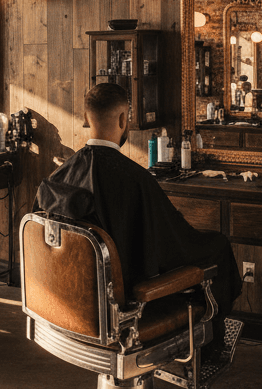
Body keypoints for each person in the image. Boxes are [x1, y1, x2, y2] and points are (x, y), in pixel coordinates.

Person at [37, 83, 241, 362]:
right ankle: (211, 348)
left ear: (86, 119)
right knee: (216, 246)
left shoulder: (57, 178)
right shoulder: (137, 180)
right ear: (124, 119)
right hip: (125, 308)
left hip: (66, 305)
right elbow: (175, 246)